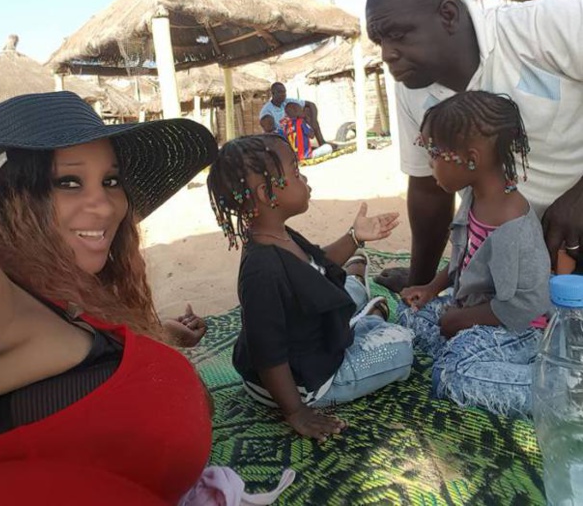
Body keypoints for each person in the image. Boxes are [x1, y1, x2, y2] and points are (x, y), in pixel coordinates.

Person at [0, 91, 218, 505]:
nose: (106, 205)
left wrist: (154, 335)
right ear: (5, 198)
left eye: (110, 181)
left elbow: (65, 350)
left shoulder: (62, 287)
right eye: (67, 182)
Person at [365, 0, 583, 292]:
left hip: (570, 237)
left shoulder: (543, 28)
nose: (386, 54)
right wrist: (420, 283)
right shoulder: (412, 89)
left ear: (448, 15)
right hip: (505, 259)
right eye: (379, 41)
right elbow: (428, 190)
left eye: (397, 35)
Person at [206, 134, 413, 441]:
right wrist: (296, 412)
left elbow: (317, 262)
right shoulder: (261, 270)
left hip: (308, 342)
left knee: (344, 286)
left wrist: (355, 237)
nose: (304, 178)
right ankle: (369, 313)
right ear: (266, 193)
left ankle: (363, 304)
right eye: (295, 172)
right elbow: (267, 352)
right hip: (304, 385)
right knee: (403, 345)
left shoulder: (277, 234)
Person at [397, 91, 551, 416]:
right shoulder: (472, 196)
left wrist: (463, 320)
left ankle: (559, 390)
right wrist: (430, 290)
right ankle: (465, 349)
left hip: (519, 330)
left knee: (453, 374)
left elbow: (526, 305)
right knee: (409, 319)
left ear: (471, 158)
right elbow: (460, 261)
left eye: (435, 153)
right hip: (471, 311)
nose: (429, 163)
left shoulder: (513, 225)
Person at [259, 82, 327, 146]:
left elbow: (311, 104)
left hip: (295, 131)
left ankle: (321, 142)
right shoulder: (266, 110)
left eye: (284, 92)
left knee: (308, 110)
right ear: (273, 93)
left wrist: (314, 121)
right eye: (280, 92)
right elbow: (267, 128)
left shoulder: (287, 101)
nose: (283, 94)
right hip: (280, 136)